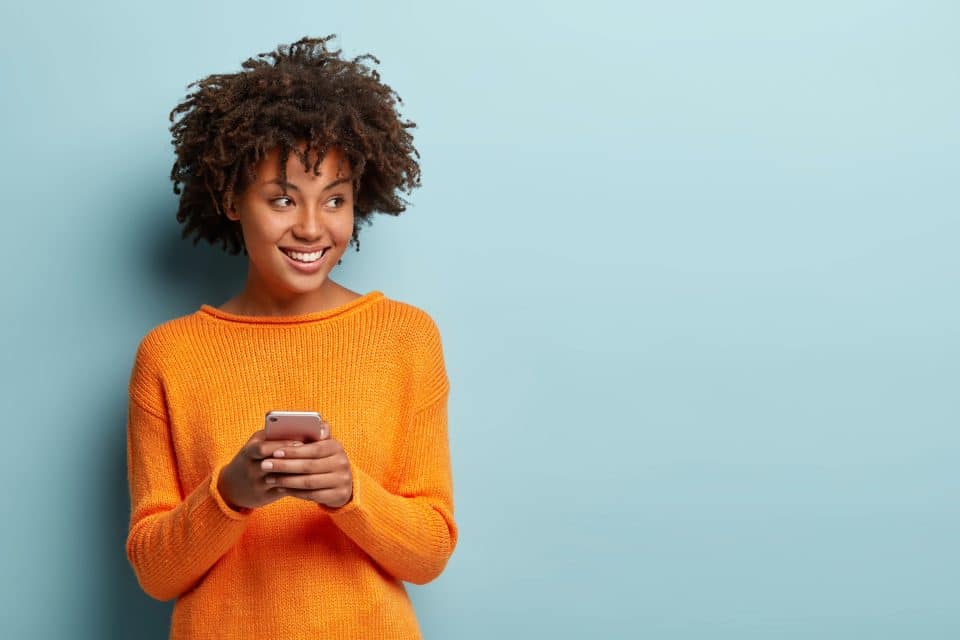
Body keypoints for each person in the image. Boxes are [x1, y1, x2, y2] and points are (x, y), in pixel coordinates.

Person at [124, 35, 457, 639]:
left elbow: (430, 552)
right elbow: (154, 572)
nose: (311, 228)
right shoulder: (169, 355)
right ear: (231, 199)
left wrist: (352, 495)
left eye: (335, 199)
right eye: (281, 199)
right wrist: (229, 494)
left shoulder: (405, 338)